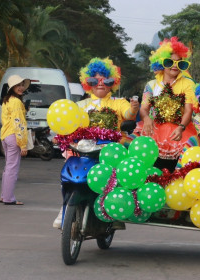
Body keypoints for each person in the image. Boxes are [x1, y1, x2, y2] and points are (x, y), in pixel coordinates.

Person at [53, 57, 139, 228]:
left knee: (116, 175)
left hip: (110, 152)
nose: (100, 84)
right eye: (95, 80)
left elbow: (128, 114)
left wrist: (134, 108)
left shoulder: (118, 103)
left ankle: (114, 212)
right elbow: (69, 122)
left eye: (106, 80)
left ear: (112, 83)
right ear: (88, 82)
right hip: (84, 150)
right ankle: (64, 208)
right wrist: (61, 135)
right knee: (69, 171)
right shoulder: (80, 105)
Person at [132, 36, 197, 171]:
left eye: (179, 63)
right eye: (170, 62)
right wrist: (146, 119)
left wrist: (181, 127)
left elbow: (188, 110)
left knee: (178, 170)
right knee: (152, 167)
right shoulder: (151, 85)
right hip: (155, 131)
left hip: (180, 132)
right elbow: (144, 108)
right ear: (161, 62)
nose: (174, 65)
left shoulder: (188, 84)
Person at [0, 75, 31, 205]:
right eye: (18, 85)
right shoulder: (17, 102)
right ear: (12, 87)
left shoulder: (7, 100)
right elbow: (19, 124)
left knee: (8, 167)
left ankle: (4, 195)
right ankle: (8, 198)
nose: (21, 88)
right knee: (12, 168)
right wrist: (23, 145)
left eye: (22, 85)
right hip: (14, 136)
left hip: (5, 135)